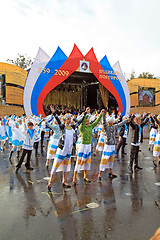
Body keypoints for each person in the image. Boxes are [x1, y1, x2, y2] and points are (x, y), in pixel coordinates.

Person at [47, 106, 85, 191]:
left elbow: (80, 122)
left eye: (70, 119)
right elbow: (57, 120)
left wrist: (85, 113)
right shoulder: (62, 127)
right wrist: (54, 113)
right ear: (64, 120)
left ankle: (64, 181)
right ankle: (50, 181)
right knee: (56, 165)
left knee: (66, 166)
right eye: (68, 119)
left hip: (69, 150)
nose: (69, 120)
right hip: (62, 149)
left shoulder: (73, 127)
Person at [72, 108, 105, 185]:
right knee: (79, 161)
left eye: (88, 120)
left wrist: (101, 114)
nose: (88, 121)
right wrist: (86, 114)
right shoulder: (81, 127)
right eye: (87, 120)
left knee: (87, 161)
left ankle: (85, 176)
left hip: (88, 146)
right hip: (82, 146)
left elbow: (96, 121)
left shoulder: (90, 126)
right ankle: (74, 177)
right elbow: (83, 122)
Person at [98, 114, 130, 180]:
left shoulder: (114, 126)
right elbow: (104, 122)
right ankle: (100, 173)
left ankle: (110, 171)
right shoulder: (106, 127)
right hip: (108, 146)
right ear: (110, 122)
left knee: (111, 159)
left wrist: (126, 120)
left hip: (112, 145)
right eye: (112, 121)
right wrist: (103, 115)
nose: (113, 122)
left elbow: (120, 124)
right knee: (105, 159)